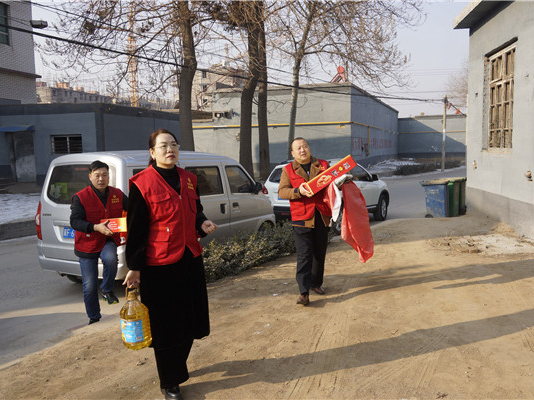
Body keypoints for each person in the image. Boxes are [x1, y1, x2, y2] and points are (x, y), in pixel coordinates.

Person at [123, 129, 217, 400]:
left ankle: (178, 365)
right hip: (158, 265)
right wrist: (135, 266)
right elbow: (137, 229)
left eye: (173, 145)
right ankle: (170, 381)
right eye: (163, 146)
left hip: (189, 257)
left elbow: (195, 209)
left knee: (190, 320)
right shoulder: (142, 183)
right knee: (165, 326)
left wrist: (202, 222)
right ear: (152, 153)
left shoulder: (188, 179)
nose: (169, 150)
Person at [70, 160, 128, 325]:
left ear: (109, 176)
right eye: (97, 175)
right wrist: (95, 227)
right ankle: (94, 317)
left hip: (106, 240)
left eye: (104, 175)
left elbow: (133, 208)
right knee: (89, 285)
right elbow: (75, 221)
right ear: (90, 177)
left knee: (111, 259)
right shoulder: (80, 197)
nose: (101, 179)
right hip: (86, 245)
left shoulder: (117, 194)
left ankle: (107, 289)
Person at [278, 137, 332, 306]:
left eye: (305, 146)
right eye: (298, 148)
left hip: (321, 215)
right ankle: (303, 292)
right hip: (301, 218)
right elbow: (282, 192)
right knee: (304, 255)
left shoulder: (322, 165)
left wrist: (340, 182)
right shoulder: (288, 170)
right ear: (293, 153)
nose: (303, 150)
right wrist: (298, 191)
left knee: (319, 252)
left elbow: (331, 184)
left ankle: (316, 284)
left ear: (309, 148)